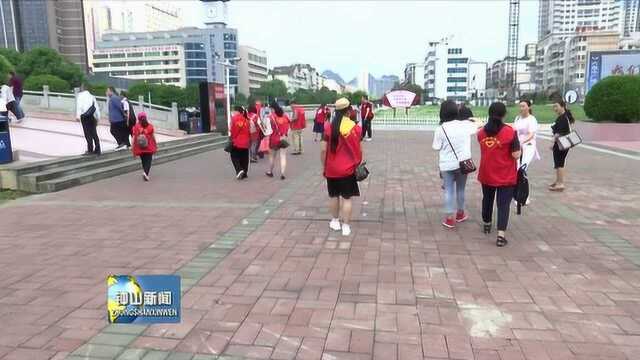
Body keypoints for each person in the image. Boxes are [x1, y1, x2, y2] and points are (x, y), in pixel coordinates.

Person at [477, 102, 522, 247]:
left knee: (487, 199)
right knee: (503, 204)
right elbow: (516, 155)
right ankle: (501, 235)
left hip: (487, 172)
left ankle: (487, 223)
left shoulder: (481, 133)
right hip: (505, 174)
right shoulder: (510, 132)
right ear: (504, 115)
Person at [432, 100, 479, 229]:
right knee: (461, 189)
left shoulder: (440, 129)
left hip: (447, 165)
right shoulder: (465, 125)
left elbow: (436, 147)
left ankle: (449, 218)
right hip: (463, 164)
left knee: (448, 191)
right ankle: (460, 213)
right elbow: (477, 126)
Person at [321, 98, 363, 237]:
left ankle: (335, 221)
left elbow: (323, 150)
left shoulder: (328, 127)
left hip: (332, 169)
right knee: (347, 198)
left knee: (333, 196)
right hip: (348, 170)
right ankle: (346, 226)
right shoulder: (354, 127)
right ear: (349, 110)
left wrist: (324, 166)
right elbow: (359, 149)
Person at [549, 99, 574, 192]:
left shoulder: (562, 118)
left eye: (556, 106)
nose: (554, 108)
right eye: (553, 106)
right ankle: (558, 181)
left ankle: (560, 183)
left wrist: (552, 142)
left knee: (559, 163)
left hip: (561, 143)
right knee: (559, 162)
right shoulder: (564, 117)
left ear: (562, 106)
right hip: (563, 143)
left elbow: (558, 133)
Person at [75, 85, 101, 155]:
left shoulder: (80, 96)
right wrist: (98, 118)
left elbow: (79, 106)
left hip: (85, 116)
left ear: (82, 89)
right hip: (92, 116)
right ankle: (98, 149)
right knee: (94, 133)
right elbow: (96, 108)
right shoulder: (92, 96)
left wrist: (78, 116)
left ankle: (90, 150)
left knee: (87, 133)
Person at [266, 101, 290, 180]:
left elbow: (267, 130)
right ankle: (282, 173)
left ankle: (270, 171)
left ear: (273, 108)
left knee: (272, 156)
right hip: (283, 138)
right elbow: (288, 127)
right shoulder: (285, 116)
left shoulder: (271, 117)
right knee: (283, 156)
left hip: (274, 139)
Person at [513, 100, 539, 170]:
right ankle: (518, 180)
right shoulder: (517, 118)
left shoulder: (532, 119)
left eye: (523, 106)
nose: (521, 108)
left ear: (529, 107)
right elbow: (514, 130)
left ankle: (522, 179)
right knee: (516, 166)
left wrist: (522, 141)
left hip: (528, 145)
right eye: (520, 106)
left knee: (523, 166)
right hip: (517, 145)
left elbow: (531, 134)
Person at [131, 112, 157, 181]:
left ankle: (145, 172)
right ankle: (145, 173)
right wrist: (155, 143)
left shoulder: (135, 127)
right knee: (148, 161)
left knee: (143, 160)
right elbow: (153, 136)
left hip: (139, 147)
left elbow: (133, 138)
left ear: (138, 118)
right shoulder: (150, 126)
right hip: (148, 147)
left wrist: (132, 146)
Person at [229, 106, 251, 179]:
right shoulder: (246, 120)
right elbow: (249, 132)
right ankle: (244, 172)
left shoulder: (234, 119)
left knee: (234, 156)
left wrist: (232, 139)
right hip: (246, 142)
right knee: (244, 157)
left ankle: (239, 169)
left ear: (237, 111)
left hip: (237, 141)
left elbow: (232, 130)